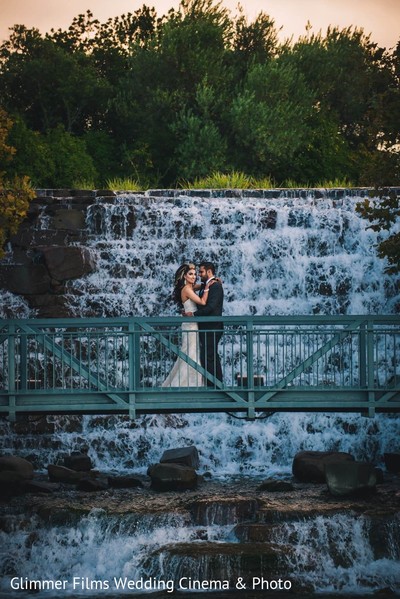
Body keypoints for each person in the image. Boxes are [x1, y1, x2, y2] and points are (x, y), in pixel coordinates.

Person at [162, 263, 213, 387]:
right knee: (191, 354)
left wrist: (211, 280)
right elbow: (202, 301)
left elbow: (199, 285)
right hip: (191, 325)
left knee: (191, 352)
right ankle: (188, 384)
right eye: (190, 274)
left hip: (191, 323)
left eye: (195, 274)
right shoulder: (187, 289)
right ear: (184, 276)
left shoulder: (190, 287)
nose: (194, 276)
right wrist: (207, 288)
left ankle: (192, 383)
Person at [186, 261, 224, 385]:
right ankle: (212, 384)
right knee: (208, 356)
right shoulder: (207, 285)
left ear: (209, 272)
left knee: (210, 356)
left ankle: (216, 385)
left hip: (212, 326)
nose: (199, 275)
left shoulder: (215, 286)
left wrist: (194, 315)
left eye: (201, 272)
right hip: (206, 326)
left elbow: (211, 307)